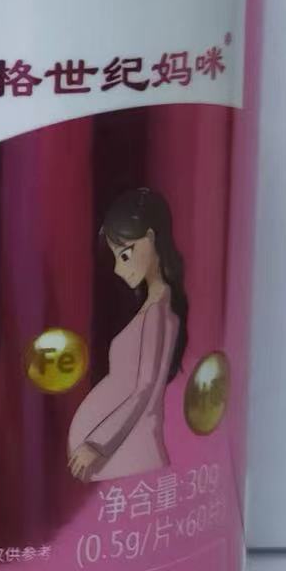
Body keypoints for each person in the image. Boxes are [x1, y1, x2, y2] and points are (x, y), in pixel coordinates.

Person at [68, 187, 188, 483]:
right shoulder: (153, 305)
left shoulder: (158, 311)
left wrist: (97, 443)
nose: (119, 269)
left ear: (150, 237)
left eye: (125, 254)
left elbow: (144, 389)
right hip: (126, 449)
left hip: (131, 449)